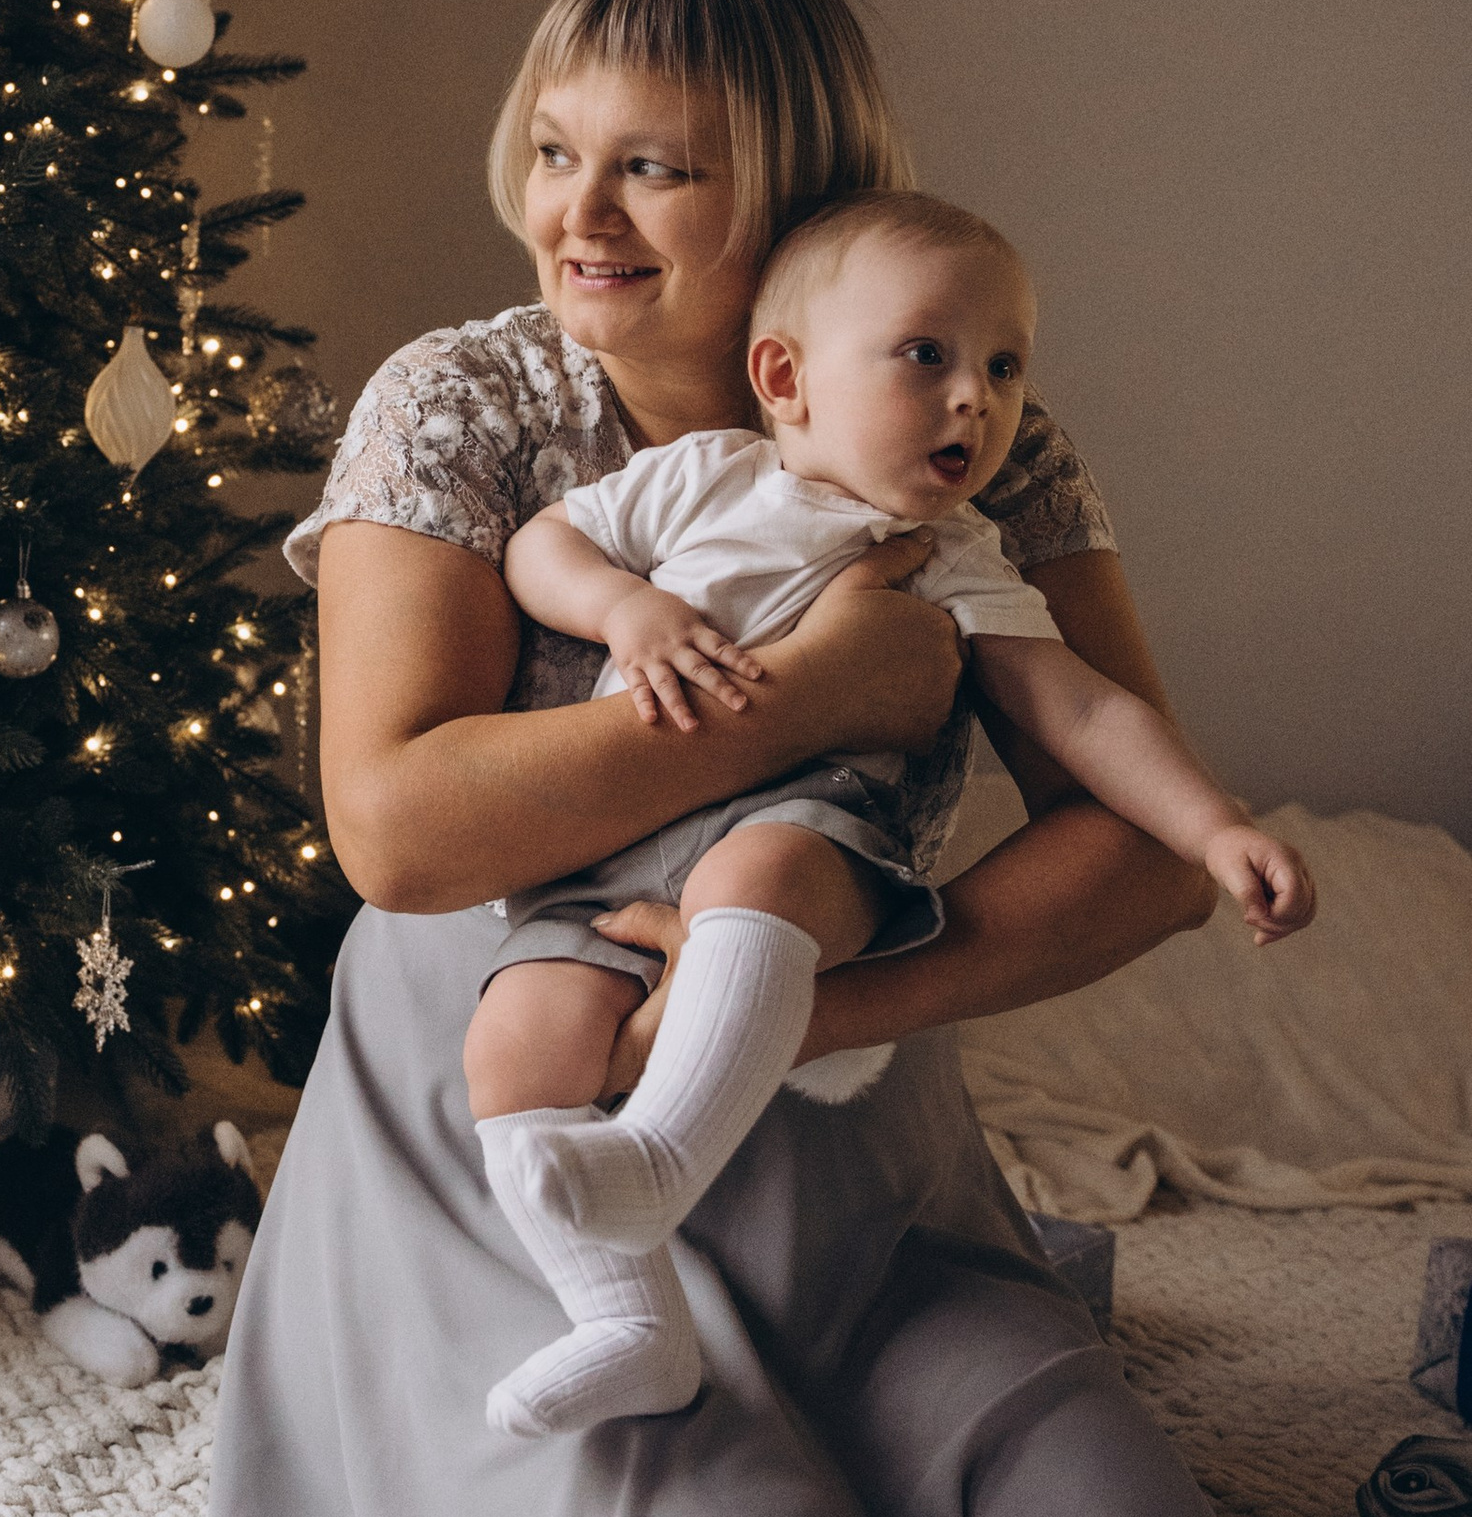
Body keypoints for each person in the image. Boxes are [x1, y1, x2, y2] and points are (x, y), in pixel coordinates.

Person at [210, 0, 1456, 1517]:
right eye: (551, 146)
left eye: (651, 169)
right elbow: (395, 830)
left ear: (786, 200)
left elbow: (1136, 853)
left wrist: (827, 1011)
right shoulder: (465, 406)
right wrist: (802, 696)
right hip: (508, 1139)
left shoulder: (961, 424)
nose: (573, 212)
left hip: (830, 1136)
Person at [465, 186, 1316, 1438]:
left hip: (813, 831)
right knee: (514, 1043)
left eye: (1003, 365)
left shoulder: (957, 555)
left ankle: (658, 1159)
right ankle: (627, 1323)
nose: (975, 395)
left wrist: (1214, 825)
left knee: (749, 884)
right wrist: (622, 610)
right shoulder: (704, 478)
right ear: (785, 376)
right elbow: (545, 545)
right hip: (605, 846)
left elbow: (1083, 714)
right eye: (927, 355)